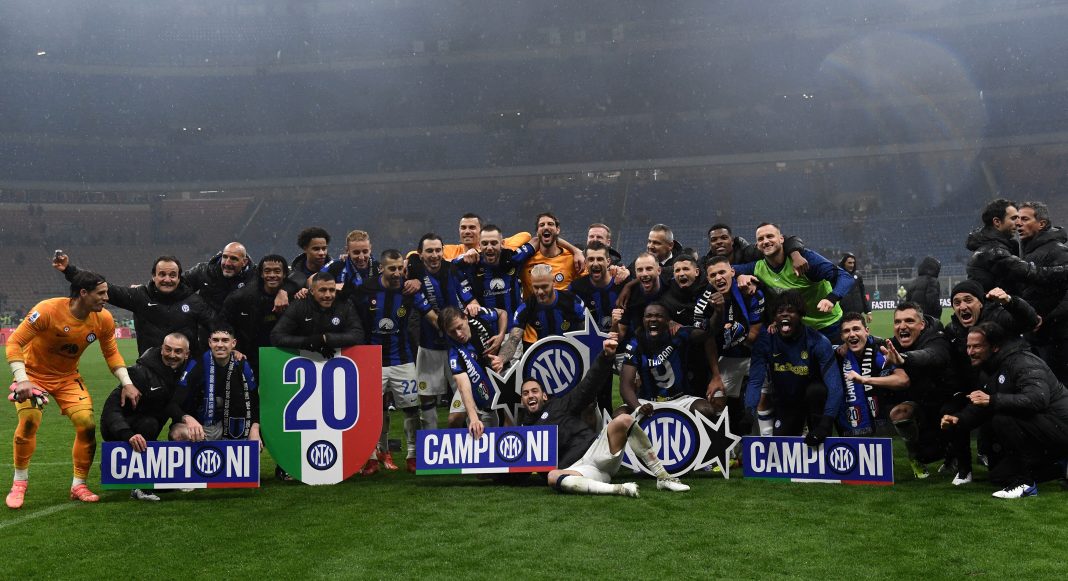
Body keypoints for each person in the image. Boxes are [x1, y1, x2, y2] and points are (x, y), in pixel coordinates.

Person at [6, 270, 136, 508]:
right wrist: (22, 379)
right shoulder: (47, 310)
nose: (106, 298)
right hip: (32, 376)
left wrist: (127, 383)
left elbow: (111, 353)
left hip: (67, 378)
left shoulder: (104, 319)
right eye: (101, 293)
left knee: (87, 425)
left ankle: (79, 485)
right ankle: (19, 483)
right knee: (29, 422)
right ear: (83, 293)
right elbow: (14, 342)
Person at [516, 333, 690, 497]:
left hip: (596, 450)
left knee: (624, 420)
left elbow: (587, 386)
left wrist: (605, 357)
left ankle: (663, 477)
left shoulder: (560, 405)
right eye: (525, 393)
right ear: (522, 400)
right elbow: (514, 468)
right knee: (553, 477)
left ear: (544, 396)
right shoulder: (522, 434)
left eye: (534, 391)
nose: (530, 395)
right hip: (578, 471)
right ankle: (619, 489)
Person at [941, 322, 1068, 499]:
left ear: (994, 347)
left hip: (1061, 426)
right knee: (999, 476)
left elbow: (1038, 399)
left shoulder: (1024, 362)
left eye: (977, 346)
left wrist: (993, 400)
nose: (970, 352)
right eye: (968, 346)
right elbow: (981, 406)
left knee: (1002, 418)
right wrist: (959, 419)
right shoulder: (988, 368)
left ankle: (1026, 483)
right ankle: (1061, 466)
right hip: (1043, 431)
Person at [942, 280, 1038, 482]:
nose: (962, 306)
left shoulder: (998, 317)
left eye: (968, 300)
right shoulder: (952, 330)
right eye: (957, 302)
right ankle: (964, 468)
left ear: (981, 303)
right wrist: (957, 391)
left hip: (1006, 386)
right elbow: (952, 364)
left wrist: (1011, 301)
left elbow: (1031, 321)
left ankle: (1031, 464)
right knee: (951, 410)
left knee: (999, 469)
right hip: (976, 388)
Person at [349, 251, 431, 474]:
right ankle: (374, 455)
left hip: (403, 360)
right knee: (372, 410)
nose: (396, 273)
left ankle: (413, 455)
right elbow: (349, 312)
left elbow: (429, 313)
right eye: (391, 268)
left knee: (411, 409)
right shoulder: (366, 289)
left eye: (399, 268)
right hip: (371, 361)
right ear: (381, 269)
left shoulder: (409, 289)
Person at [54, 253, 214, 357]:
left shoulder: (194, 301)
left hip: (187, 371)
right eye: (162, 274)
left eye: (173, 275)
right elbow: (106, 288)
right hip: (150, 370)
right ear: (153, 276)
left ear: (179, 278)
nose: (167, 279)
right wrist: (68, 270)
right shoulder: (140, 297)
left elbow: (215, 324)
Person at [99, 332, 194, 501]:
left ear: (186, 354)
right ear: (161, 349)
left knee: (168, 484)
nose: (172, 355)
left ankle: (118, 466)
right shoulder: (139, 373)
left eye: (178, 351)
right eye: (168, 349)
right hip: (122, 429)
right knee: (150, 423)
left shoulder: (184, 373)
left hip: (147, 429)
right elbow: (111, 409)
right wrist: (127, 434)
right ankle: (140, 486)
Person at [744, 290, 844, 444]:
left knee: (816, 391)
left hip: (813, 400)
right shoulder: (765, 341)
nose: (785, 314)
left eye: (791, 311)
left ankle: (816, 427)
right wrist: (749, 412)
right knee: (782, 446)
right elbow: (755, 381)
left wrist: (825, 424)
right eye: (780, 312)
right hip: (786, 402)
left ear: (800, 315)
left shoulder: (818, 341)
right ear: (774, 318)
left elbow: (835, 387)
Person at [734, 222, 854, 342]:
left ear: (781, 239)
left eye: (770, 236)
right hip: (798, 329)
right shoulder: (757, 267)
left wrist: (831, 298)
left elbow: (845, 277)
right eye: (760, 239)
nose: (765, 241)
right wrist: (740, 276)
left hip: (828, 324)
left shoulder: (805, 260)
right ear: (757, 245)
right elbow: (728, 270)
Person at [881, 302, 954, 479]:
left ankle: (954, 456)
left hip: (947, 403)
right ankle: (915, 458)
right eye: (897, 322)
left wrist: (905, 358)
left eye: (909, 321)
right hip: (921, 404)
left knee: (950, 423)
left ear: (922, 324)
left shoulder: (937, 338)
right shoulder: (893, 344)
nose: (902, 326)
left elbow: (932, 355)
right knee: (899, 412)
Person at [617, 303, 722, 421]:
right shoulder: (635, 344)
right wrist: (638, 407)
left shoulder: (679, 334)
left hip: (680, 400)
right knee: (620, 414)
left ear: (668, 321)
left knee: (705, 410)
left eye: (659, 316)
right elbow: (625, 385)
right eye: (648, 316)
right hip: (647, 401)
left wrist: (718, 312)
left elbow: (707, 332)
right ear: (643, 320)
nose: (653, 319)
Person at [698, 256, 765, 435]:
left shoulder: (750, 291)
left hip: (755, 355)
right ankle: (721, 445)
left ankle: (763, 441)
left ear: (732, 272)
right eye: (713, 275)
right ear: (708, 279)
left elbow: (754, 334)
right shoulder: (704, 302)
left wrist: (733, 334)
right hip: (728, 357)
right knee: (716, 395)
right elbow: (708, 340)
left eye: (722, 272)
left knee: (764, 397)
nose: (719, 277)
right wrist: (715, 376)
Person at [172, 325, 260, 451]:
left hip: (232, 426)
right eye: (215, 340)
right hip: (201, 425)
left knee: (256, 438)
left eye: (225, 340)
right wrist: (188, 419)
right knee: (178, 433)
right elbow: (173, 404)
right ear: (209, 342)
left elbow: (256, 402)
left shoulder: (242, 365)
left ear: (233, 343)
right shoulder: (197, 365)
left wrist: (255, 429)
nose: (220, 345)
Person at [222, 254, 301, 376]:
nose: (272, 275)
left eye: (277, 271)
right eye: (267, 271)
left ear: (285, 274)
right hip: (250, 356)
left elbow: (303, 278)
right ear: (261, 274)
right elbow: (223, 324)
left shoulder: (296, 295)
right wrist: (233, 348)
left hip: (286, 357)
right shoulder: (241, 297)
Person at [1017, 201, 1068, 382]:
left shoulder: (1057, 251)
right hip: (1037, 336)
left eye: (1025, 219)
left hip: (1057, 338)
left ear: (1041, 224)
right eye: (1017, 219)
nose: (1018, 223)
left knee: (1058, 386)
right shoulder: (1029, 251)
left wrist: (1046, 318)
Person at [836, 312, 908, 436]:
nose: (852, 334)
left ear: (867, 331)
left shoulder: (880, 349)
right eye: (847, 331)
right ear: (842, 336)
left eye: (856, 329)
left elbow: (903, 380)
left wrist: (865, 380)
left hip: (885, 411)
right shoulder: (838, 354)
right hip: (851, 417)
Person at [499, 264, 588, 363]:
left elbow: (587, 332)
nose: (540, 292)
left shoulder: (572, 302)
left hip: (573, 356)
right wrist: (501, 359)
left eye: (544, 286)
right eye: (536, 287)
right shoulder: (526, 308)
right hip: (543, 359)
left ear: (553, 282)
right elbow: (513, 339)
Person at [439, 306, 508, 431]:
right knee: (454, 419)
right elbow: (462, 384)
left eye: (459, 327)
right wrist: (473, 418)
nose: (458, 334)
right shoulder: (453, 352)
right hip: (473, 380)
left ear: (465, 318)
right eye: (452, 332)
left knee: (508, 416)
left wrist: (501, 335)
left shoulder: (478, 315)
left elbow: (502, 313)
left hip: (498, 373)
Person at [453, 224, 534, 318]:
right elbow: (451, 267)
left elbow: (535, 241)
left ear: (502, 243)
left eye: (494, 243)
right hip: (486, 324)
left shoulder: (513, 258)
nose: (489, 247)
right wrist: (470, 300)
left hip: (515, 324)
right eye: (484, 243)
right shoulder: (472, 262)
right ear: (479, 245)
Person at [183, 242, 261, 313]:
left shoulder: (256, 276)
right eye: (225, 257)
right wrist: (195, 306)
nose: (227, 263)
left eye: (233, 259)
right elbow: (179, 286)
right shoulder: (204, 271)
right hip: (205, 322)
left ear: (244, 262)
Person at [519, 213, 583, 298]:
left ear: (557, 230)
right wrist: (575, 250)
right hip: (532, 306)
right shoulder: (526, 259)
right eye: (542, 225)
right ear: (537, 232)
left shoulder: (572, 259)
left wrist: (576, 251)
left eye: (550, 224)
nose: (546, 227)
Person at [838, 253, 871, 324]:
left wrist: (868, 312)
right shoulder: (838, 276)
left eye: (853, 263)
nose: (852, 265)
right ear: (844, 263)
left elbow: (863, 294)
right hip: (844, 314)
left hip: (858, 314)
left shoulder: (858, 276)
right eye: (849, 263)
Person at [906, 256, 942, 321]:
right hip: (926, 319)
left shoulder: (913, 282)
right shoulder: (932, 281)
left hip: (913, 318)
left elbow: (907, 303)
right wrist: (937, 317)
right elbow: (933, 302)